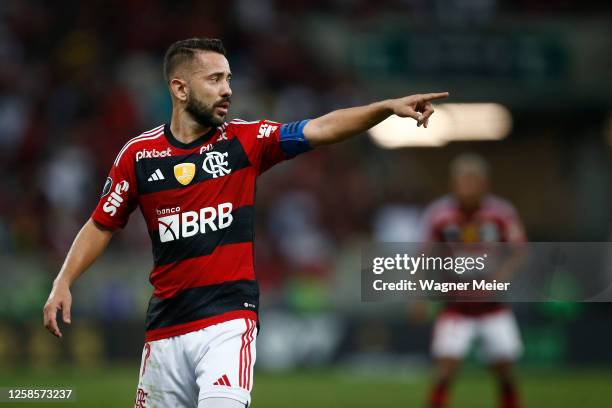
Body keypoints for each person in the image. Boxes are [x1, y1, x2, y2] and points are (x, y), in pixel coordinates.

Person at [42, 37, 449, 408]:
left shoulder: (245, 140)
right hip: (164, 331)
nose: (227, 90)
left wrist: (383, 109)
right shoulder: (138, 156)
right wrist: (63, 280)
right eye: (215, 79)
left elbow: (320, 128)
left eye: (229, 79)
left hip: (228, 323)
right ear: (180, 89)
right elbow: (101, 224)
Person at [420, 153, 525, 408]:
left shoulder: (501, 213)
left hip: (492, 305)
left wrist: (500, 278)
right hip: (456, 305)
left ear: (484, 184)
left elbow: (519, 250)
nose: (466, 187)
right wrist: (421, 293)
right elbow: (424, 254)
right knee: (446, 366)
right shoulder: (439, 214)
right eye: (462, 181)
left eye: (472, 181)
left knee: (504, 369)